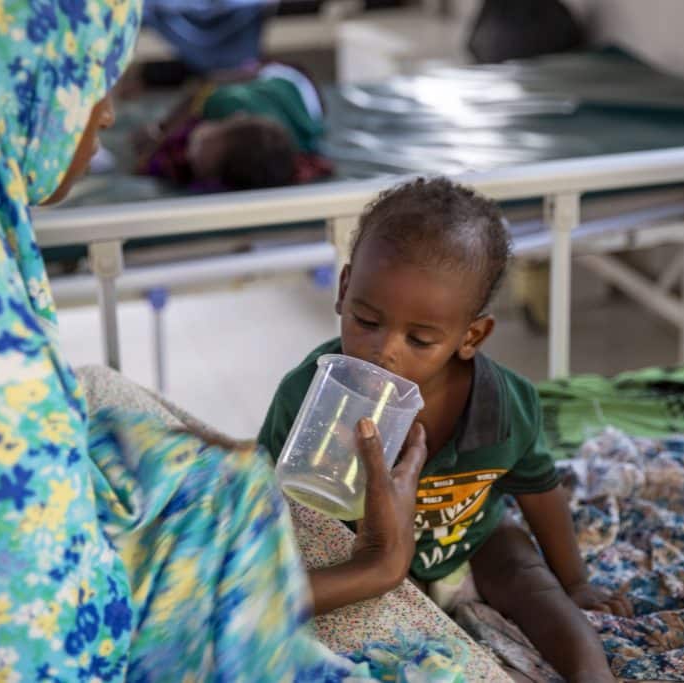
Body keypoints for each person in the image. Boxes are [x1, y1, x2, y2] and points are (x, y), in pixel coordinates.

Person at [0, 3, 455, 681]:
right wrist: (375, 566)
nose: (106, 114)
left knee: (205, 476)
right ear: (15, 80)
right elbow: (52, 649)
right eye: (92, 80)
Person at [259, 177, 633, 682]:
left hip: (471, 540)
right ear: (344, 290)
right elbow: (263, 500)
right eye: (366, 320)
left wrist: (576, 581)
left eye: (419, 339)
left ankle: (595, 676)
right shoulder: (309, 394)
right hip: (361, 561)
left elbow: (539, 490)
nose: (384, 351)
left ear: (470, 336)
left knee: (528, 575)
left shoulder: (505, 405)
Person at [132, 62, 330, 190]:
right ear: (236, 117)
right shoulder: (227, 103)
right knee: (239, 73)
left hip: (300, 93)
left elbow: (205, 86)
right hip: (288, 78)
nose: (190, 153)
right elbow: (207, 86)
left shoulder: (223, 104)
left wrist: (161, 132)